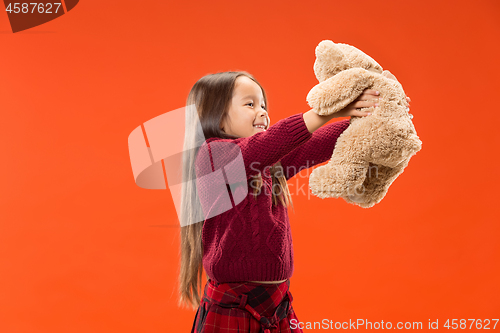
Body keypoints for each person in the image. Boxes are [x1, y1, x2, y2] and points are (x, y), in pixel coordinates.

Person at [178, 71, 411, 332]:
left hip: (277, 303)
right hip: (234, 304)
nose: (263, 112)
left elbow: (315, 145)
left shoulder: (268, 165)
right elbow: (270, 142)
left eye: (263, 104)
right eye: (250, 104)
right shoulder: (213, 156)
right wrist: (326, 111)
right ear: (216, 117)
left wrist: (366, 118)